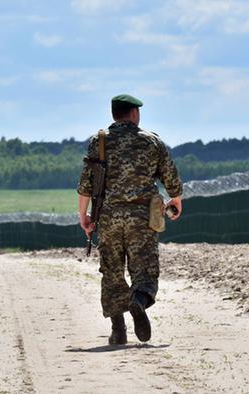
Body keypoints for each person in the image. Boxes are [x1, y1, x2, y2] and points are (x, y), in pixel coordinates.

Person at [76, 94, 183, 345]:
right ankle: (138, 301)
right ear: (135, 114)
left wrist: (84, 216)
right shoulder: (151, 142)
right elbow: (172, 181)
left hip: (109, 218)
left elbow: (85, 186)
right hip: (142, 219)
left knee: (112, 273)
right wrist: (176, 200)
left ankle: (118, 330)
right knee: (145, 270)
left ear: (114, 114)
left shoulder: (98, 142)